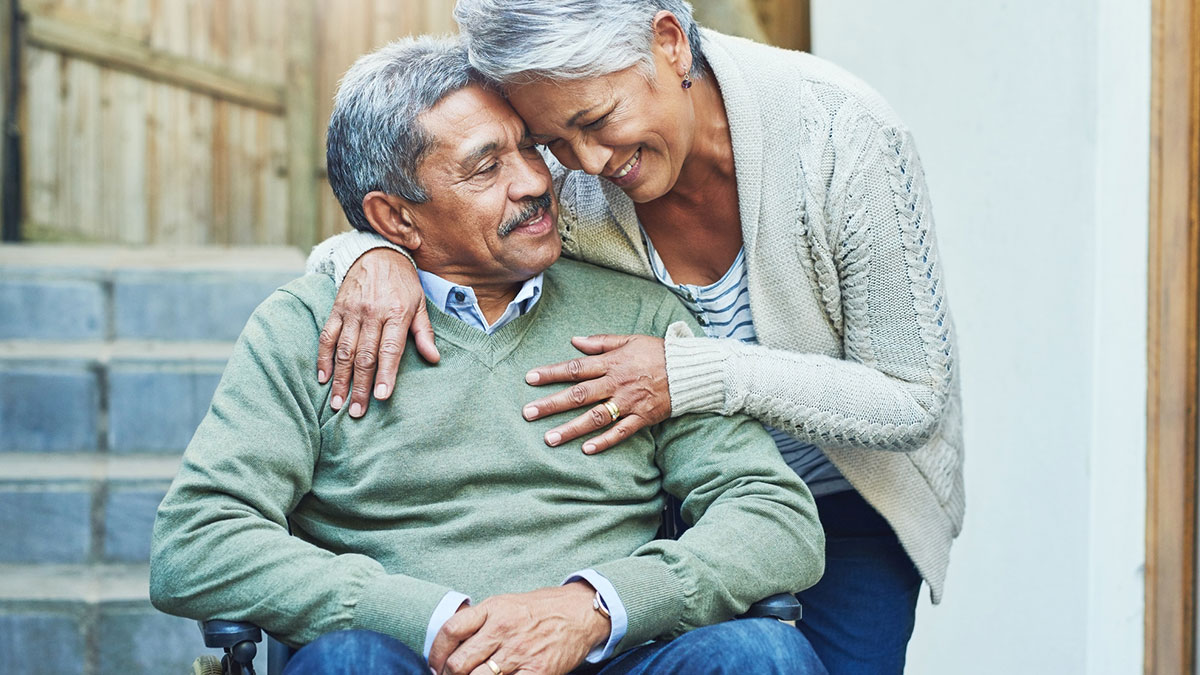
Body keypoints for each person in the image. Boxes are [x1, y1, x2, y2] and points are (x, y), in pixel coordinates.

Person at [307, 2, 964, 673]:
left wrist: (692, 373)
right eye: (554, 139)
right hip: (661, 501)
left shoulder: (840, 137)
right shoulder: (562, 175)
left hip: (841, 497)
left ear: (670, 43)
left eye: (596, 121)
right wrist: (366, 254)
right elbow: (437, 220)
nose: (586, 161)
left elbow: (913, 399)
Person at [150, 36, 828, 675]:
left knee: (762, 654)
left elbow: (775, 518)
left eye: (528, 150)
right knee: (346, 662)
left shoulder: (640, 314)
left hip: (610, 654)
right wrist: (430, 620)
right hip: (404, 657)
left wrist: (596, 605)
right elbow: (197, 542)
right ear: (395, 220)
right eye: (486, 167)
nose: (534, 181)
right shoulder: (306, 329)